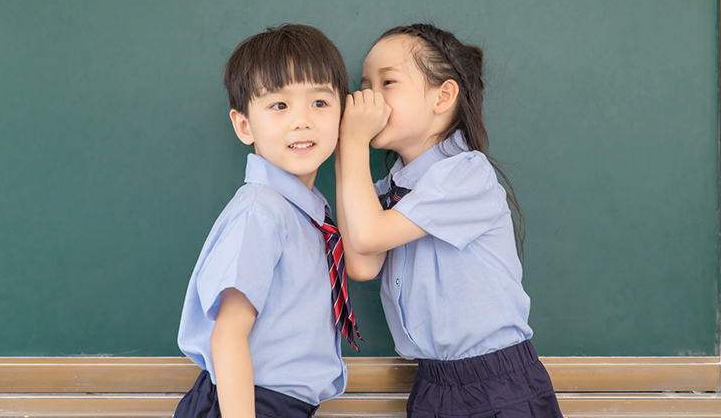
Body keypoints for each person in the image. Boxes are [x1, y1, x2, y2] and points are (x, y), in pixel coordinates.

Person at [336, 23, 563, 418]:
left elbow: (370, 235)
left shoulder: (466, 173)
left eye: (387, 82)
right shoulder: (388, 188)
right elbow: (360, 263)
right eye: (364, 84)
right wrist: (345, 153)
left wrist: (353, 143)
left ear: (443, 96)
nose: (368, 96)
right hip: (431, 385)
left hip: (496, 385)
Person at [175, 24, 357, 418]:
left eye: (320, 103)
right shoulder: (263, 210)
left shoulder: (307, 213)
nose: (302, 121)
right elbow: (229, 334)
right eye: (279, 106)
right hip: (247, 403)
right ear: (244, 125)